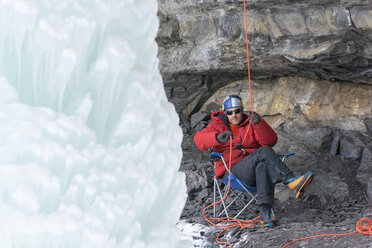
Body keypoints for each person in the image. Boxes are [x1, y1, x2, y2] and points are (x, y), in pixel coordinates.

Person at [194, 95, 314, 227]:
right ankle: (291, 181)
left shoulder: (250, 122)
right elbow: (199, 141)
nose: (234, 115)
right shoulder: (216, 126)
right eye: (230, 112)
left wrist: (259, 124)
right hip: (232, 172)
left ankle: (266, 213)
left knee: (262, 165)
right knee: (264, 152)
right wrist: (217, 137)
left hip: (252, 172)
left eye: (237, 111)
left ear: (242, 110)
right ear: (225, 113)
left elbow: (271, 141)